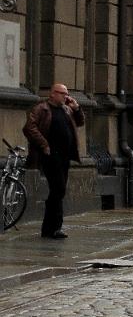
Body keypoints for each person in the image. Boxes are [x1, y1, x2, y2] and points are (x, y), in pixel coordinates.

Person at [22, 83, 85, 239]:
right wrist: (44, 145)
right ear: (53, 94)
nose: (66, 96)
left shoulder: (66, 109)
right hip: (51, 156)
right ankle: (54, 228)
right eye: (63, 93)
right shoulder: (41, 108)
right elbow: (29, 127)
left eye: (67, 93)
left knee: (58, 191)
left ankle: (49, 228)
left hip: (65, 156)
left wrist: (77, 108)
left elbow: (80, 122)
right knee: (59, 188)